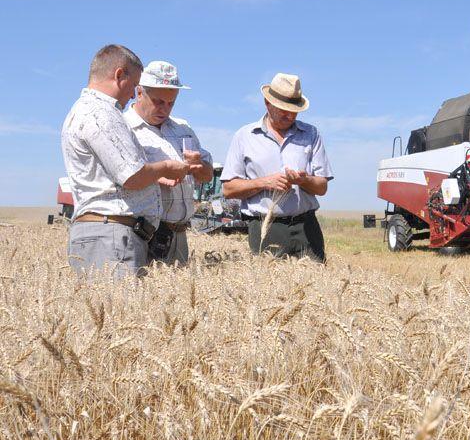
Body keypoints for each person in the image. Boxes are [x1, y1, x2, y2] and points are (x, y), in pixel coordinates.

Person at [61, 45, 195, 279]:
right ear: (119, 75)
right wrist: (165, 167)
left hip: (108, 234)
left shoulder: (89, 110)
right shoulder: (100, 113)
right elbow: (131, 176)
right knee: (115, 308)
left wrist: (153, 175)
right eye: (134, 86)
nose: (133, 94)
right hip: (109, 235)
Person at [221, 73, 334, 262]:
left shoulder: (311, 134)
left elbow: (322, 187)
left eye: (294, 110)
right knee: (269, 288)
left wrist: (304, 180)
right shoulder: (244, 136)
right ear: (267, 103)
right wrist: (265, 182)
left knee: (316, 287)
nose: (290, 115)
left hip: (306, 228)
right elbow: (228, 189)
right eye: (283, 109)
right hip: (265, 228)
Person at [124, 61, 213, 266]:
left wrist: (199, 166)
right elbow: (122, 178)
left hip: (179, 234)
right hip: (144, 233)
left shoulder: (183, 128)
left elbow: (207, 175)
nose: (165, 109)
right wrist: (156, 176)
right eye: (158, 101)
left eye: (171, 103)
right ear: (139, 93)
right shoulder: (125, 127)